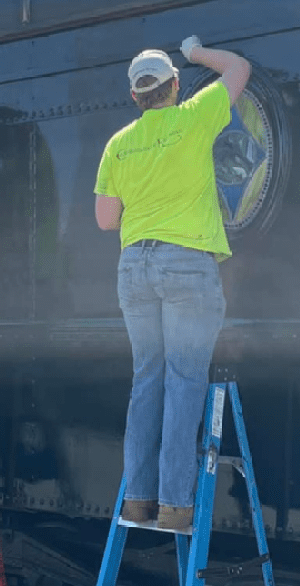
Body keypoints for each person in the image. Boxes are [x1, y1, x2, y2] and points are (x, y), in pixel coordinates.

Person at [93, 35, 250, 531]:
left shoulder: (118, 144)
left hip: (133, 266)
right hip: (185, 261)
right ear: (175, 85)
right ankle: (175, 505)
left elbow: (105, 220)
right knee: (184, 381)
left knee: (147, 380)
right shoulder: (194, 117)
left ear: (134, 96)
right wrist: (198, 52)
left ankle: (137, 500)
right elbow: (239, 69)